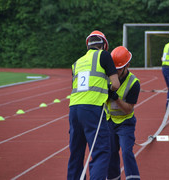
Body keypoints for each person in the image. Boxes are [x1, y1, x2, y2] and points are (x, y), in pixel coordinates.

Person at [67, 30, 120, 180]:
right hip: (93, 108)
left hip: (74, 109)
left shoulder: (76, 63)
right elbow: (115, 84)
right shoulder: (103, 55)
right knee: (101, 151)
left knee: (76, 153)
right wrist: (109, 91)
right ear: (104, 46)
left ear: (88, 45)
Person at [106, 46, 141, 180]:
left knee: (126, 152)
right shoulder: (108, 78)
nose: (115, 71)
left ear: (127, 66)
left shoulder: (134, 83)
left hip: (125, 123)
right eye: (113, 68)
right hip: (109, 121)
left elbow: (128, 109)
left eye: (119, 68)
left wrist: (115, 97)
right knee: (111, 153)